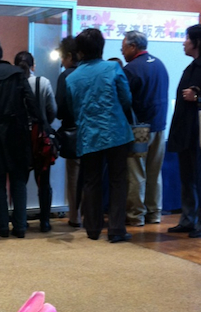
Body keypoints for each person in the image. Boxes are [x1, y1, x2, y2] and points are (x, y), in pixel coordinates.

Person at [66, 28, 133, 243]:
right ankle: (116, 229)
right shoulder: (113, 68)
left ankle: (92, 229)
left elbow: (72, 108)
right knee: (118, 181)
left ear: (79, 51)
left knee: (91, 181)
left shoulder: (72, 78)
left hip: (89, 134)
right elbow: (126, 99)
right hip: (116, 132)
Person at [0, 36, 38, 238]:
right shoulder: (17, 73)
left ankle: (2, 226)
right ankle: (20, 226)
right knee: (19, 180)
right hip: (19, 130)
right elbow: (31, 102)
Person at [167, 23, 201, 238]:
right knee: (187, 177)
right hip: (186, 130)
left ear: (198, 42)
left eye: (187, 38)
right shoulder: (192, 66)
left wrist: (199, 96)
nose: (184, 43)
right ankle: (188, 219)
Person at [121, 30, 169, 226]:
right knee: (155, 172)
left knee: (136, 173)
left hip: (139, 130)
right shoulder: (159, 64)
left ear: (133, 47)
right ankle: (154, 213)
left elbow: (124, 101)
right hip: (160, 126)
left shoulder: (131, 69)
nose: (122, 51)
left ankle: (136, 215)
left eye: (123, 47)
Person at [14, 50, 57, 232]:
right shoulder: (43, 82)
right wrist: (44, 123)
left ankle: (20, 221)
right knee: (44, 181)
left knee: (19, 182)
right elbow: (52, 110)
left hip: (19, 138)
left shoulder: (13, 84)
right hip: (40, 138)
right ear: (33, 66)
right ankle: (45, 222)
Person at [55, 36, 81, 228]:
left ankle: (75, 216)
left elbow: (60, 108)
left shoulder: (66, 76)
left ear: (70, 56)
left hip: (73, 131)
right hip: (94, 132)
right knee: (91, 177)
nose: (62, 61)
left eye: (63, 57)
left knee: (74, 176)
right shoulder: (92, 72)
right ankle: (91, 216)